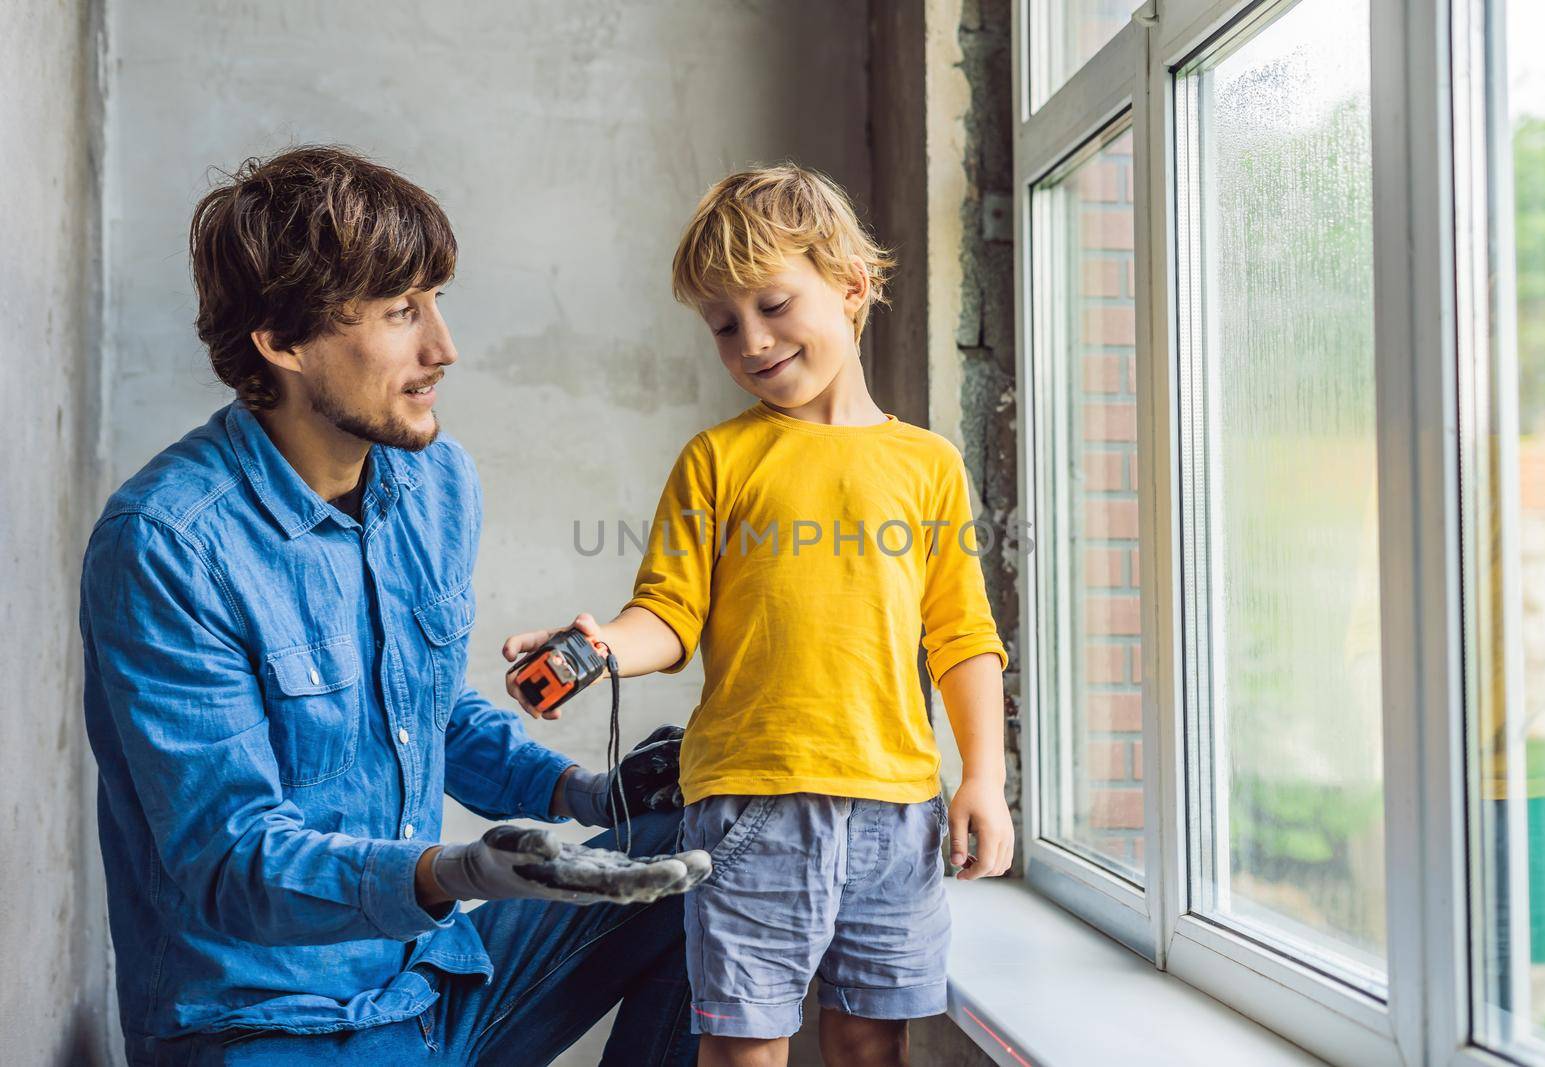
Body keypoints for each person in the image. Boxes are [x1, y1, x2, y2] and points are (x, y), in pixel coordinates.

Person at [79, 145, 710, 1066]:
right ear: (281, 340)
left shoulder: (433, 479)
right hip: (270, 1024)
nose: (443, 348)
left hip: (432, 983)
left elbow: (419, 708)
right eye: (400, 311)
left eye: (436, 301)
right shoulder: (166, 545)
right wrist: (453, 870)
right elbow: (228, 858)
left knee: (709, 862)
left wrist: (581, 792)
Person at [503, 164, 1012, 1067]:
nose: (751, 341)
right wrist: (598, 648)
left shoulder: (928, 464)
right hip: (750, 808)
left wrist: (983, 776)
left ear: (853, 288)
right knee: (743, 1047)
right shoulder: (718, 460)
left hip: (897, 810)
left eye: (774, 304)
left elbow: (963, 636)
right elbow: (666, 615)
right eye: (724, 325)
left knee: (870, 1043)